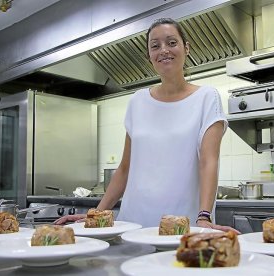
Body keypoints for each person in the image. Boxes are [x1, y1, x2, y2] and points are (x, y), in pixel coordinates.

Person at [55, 18, 236, 232]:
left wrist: (204, 217)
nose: (164, 50)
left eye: (171, 42)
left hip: (182, 226)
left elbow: (208, 162)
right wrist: (96, 215)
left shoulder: (207, 97)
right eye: (155, 46)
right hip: (133, 223)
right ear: (149, 56)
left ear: (186, 48)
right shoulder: (137, 101)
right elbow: (124, 169)